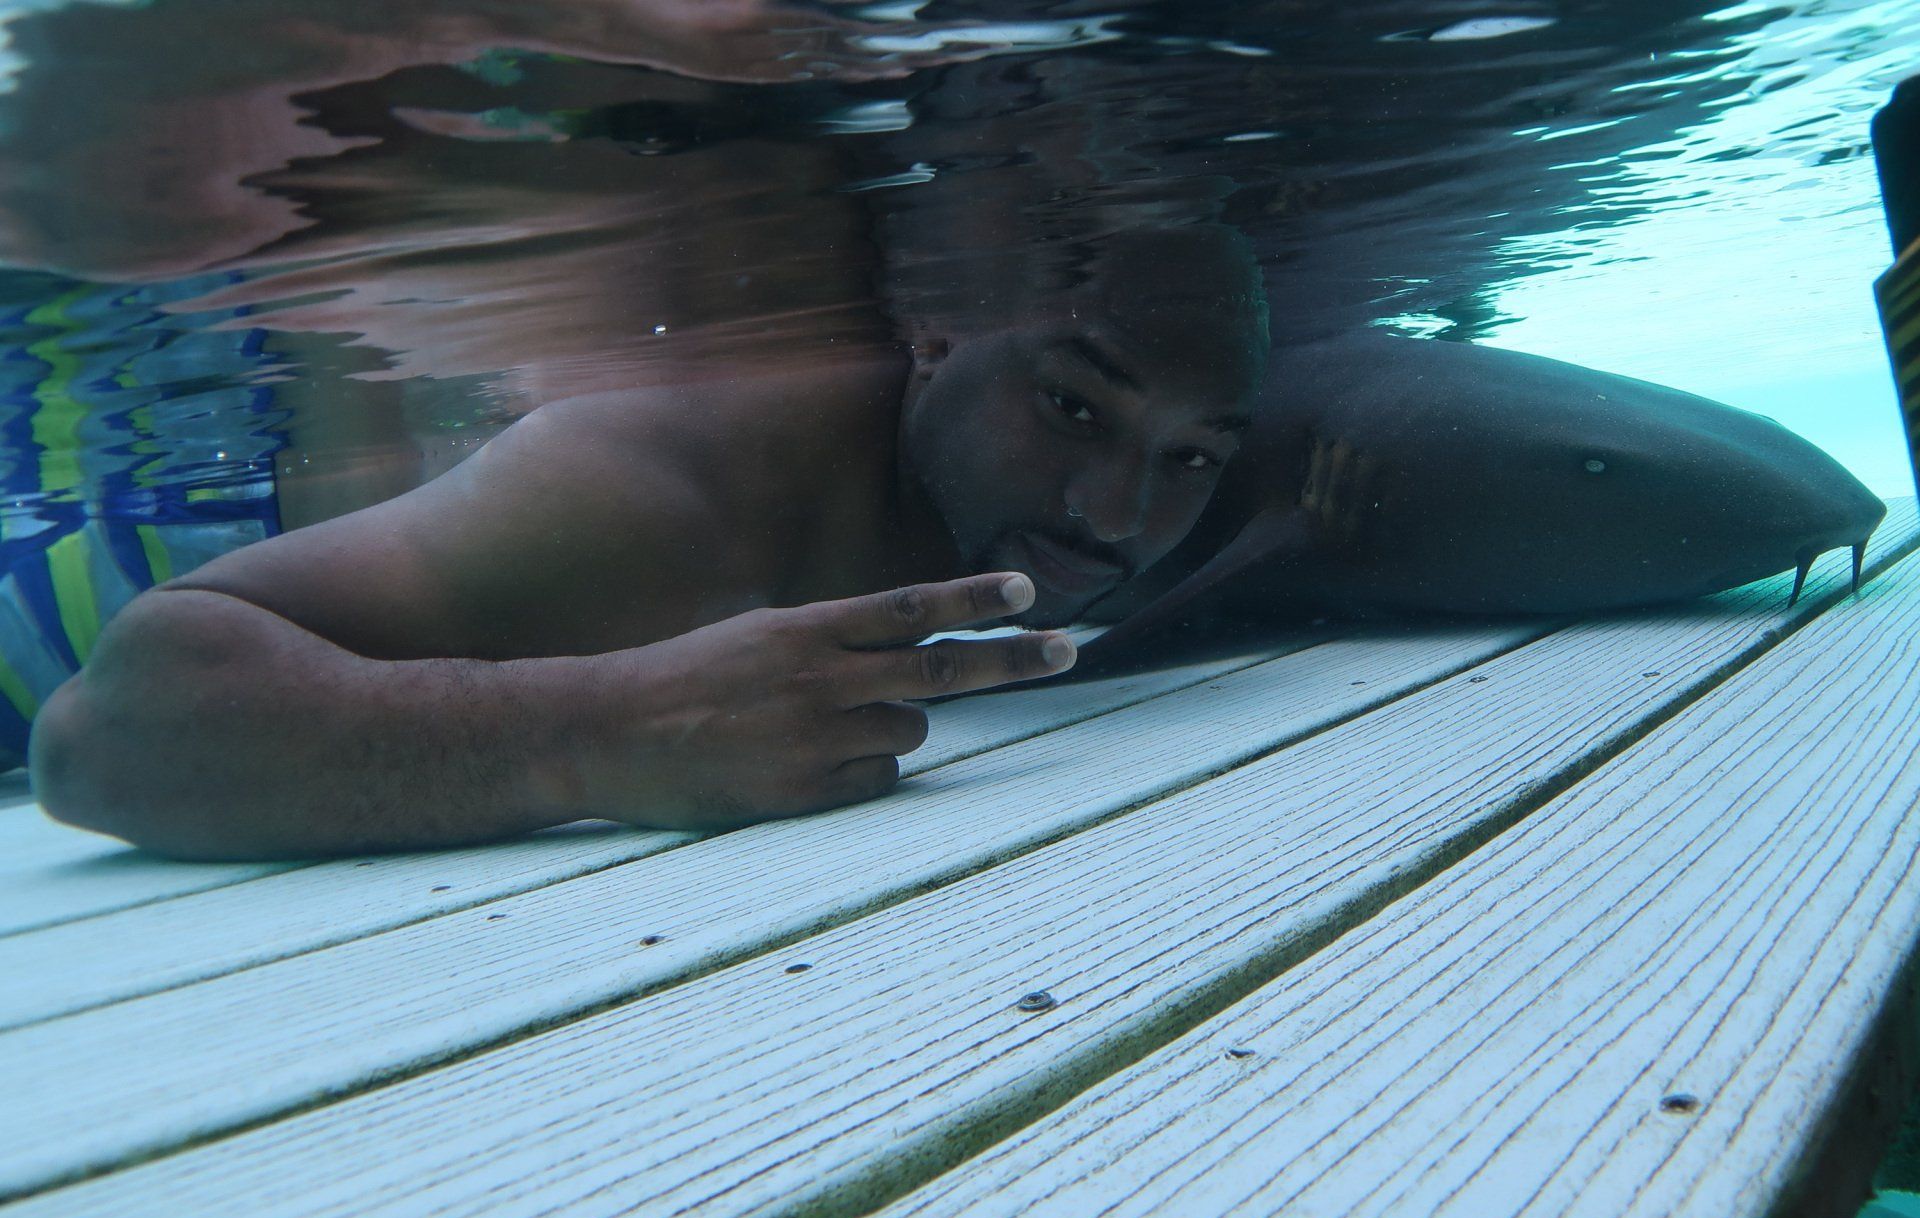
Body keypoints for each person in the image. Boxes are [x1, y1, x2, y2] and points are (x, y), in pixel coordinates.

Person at [25, 225, 1271, 859]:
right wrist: (596, 731)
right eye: (1071, 407)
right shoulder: (666, 490)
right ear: (935, 331)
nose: (1119, 514)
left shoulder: (1113, 479)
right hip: (75, 587)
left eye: (1190, 458)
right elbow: (99, 737)